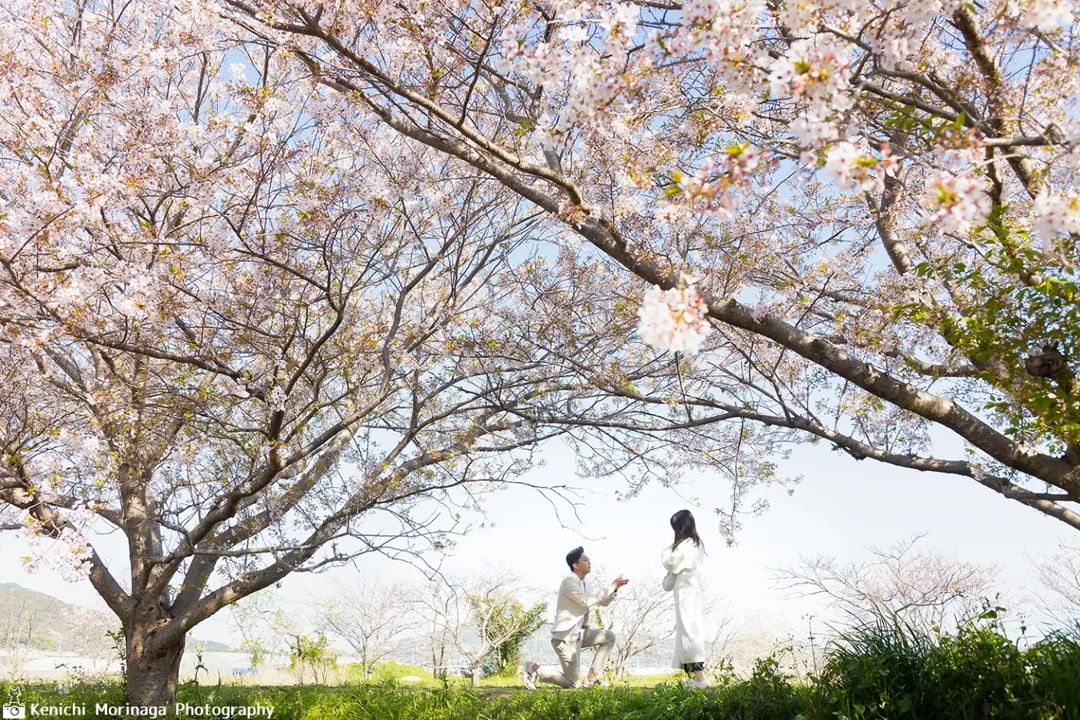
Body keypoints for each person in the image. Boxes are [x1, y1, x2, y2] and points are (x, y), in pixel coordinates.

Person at [521, 546, 630, 689]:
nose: (589, 562)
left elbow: (603, 602)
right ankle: (533, 668)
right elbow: (586, 601)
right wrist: (611, 586)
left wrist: (615, 589)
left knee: (609, 637)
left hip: (580, 634)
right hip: (565, 638)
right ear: (575, 565)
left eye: (589, 560)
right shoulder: (569, 582)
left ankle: (593, 678)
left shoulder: (585, 584)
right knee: (573, 684)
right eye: (585, 560)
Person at [662, 509, 707, 687]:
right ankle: (696, 676)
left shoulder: (688, 544)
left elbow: (671, 563)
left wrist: (667, 551)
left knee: (691, 632)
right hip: (686, 592)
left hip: (688, 592)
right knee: (687, 631)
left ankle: (699, 678)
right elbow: (672, 573)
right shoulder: (692, 543)